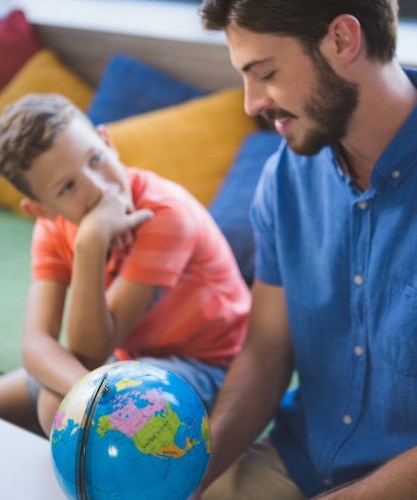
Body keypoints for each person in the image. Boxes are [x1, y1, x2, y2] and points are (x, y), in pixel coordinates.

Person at [188, 0, 417, 500]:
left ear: (342, 40)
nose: (250, 103)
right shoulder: (285, 181)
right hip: (299, 460)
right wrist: (189, 479)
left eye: (264, 74)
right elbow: (266, 353)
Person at [0, 93, 252, 436]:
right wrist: (86, 391)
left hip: (213, 366)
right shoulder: (52, 226)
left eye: (95, 159)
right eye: (67, 186)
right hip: (128, 360)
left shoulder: (164, 216)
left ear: (107, 141)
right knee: (50, 395)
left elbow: (90, 352)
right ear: (41, 209)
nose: (99, 189)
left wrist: (90, 243)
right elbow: (36, 344)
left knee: (56, 406)